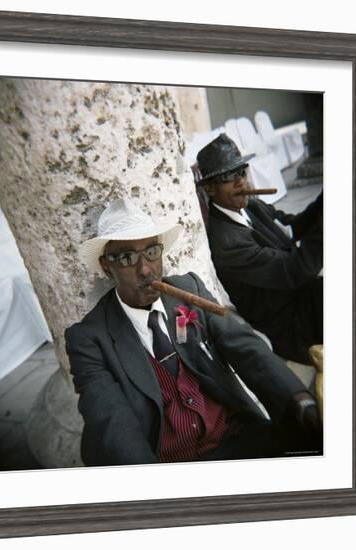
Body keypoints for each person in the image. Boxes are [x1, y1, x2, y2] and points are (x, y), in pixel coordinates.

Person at [65, 198, 321, 467]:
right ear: (107, 266)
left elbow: (247, 347)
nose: (145, 270)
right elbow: (110, 420)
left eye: (152, 252)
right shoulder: (89, 340)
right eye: (128, 258)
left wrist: (299, 399)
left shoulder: (190, 290)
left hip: (236, 438)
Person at [194, 133, 323, 365]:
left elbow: (292, 227)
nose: (240, 181)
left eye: (241, 171)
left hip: (303, 296)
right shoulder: (227, 244)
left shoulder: (251, 205)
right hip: (289, 324)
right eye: (228, 176)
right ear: (210, 189)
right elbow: (295, 270)